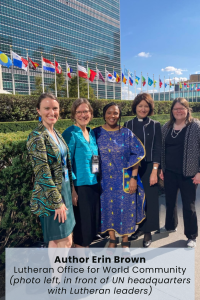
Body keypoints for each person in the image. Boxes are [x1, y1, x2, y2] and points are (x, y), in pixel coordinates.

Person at [93, 102, 145, 250]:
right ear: (104, 114)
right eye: (109, 112)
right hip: (104, 180)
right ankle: (112, 240)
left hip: (125, 179)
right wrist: (94, 174)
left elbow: (137, 154)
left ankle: (126, 241)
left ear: (119, 115)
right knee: (108, 209)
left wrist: (134, 178)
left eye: (115, 113)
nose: (112, 116)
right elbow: (92, 155)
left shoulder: (127, 133)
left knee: (127, 209)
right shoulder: (96, 133)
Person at [27, 93, 75, 248]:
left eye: (55, 108)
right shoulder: (36, 136)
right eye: (46, 108)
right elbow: (42, 173)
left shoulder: (56, 133)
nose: (51, 112)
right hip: (51, 196)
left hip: (64, 189)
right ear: (38, 111)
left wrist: (71, 189)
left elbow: (65, 164)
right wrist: (57, 202)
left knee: (57, 240)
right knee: (64, 241)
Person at [160, 98, 199, 248]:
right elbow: (162, 149)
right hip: (169, 172)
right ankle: (170, 225)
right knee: (170, 202)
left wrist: (199, 172)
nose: (178, 111)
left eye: (181, 108)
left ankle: (191, 236)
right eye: (175, 109)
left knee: (189, 206)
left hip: (189, 173)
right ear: (172, 111)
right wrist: (162, 169)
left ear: (187, 109)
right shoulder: (167, 127)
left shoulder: (195, 126)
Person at [124, 93, 162, 247]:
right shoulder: (128, 125)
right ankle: (138, 228)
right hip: (132, 167)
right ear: (135, 107)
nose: (143, 109)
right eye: (140, 106)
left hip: (149, 167)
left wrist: (155, 170)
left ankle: (147, 232)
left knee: (150, 200)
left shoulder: (155, 125)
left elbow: (158, 148)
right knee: (133, 199)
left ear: (150, 108)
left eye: (146, 106)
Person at [62, 98, 100, 248]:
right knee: (81, 229)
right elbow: (65, 163)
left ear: (91, 113)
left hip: (93, 184)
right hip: (79, 187)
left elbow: (95, 158)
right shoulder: (70, 133)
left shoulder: (91, 133)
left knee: (90, 225)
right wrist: (71, 190)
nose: (83, 115)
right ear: (74, 114)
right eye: (79, 112)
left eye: (86, 111)